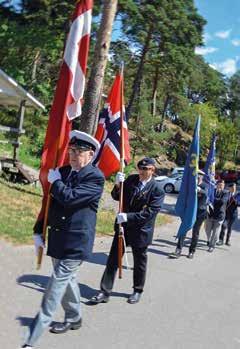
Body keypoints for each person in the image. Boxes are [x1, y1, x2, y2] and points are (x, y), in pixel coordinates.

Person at [19, 130, 105, 348]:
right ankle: (74, 316)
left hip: (76, 241)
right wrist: (39, 229)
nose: (73, 155)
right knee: (68, 281)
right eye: (71, 150)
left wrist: (56, 183)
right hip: (58, 237)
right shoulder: (63, 171)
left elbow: (70, 199)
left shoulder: (95, 177)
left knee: (56, 283)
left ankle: (33, 335)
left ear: (91, 155)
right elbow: (50, 204)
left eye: (79, 151)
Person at [89, 157, 165, 305]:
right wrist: (117, 185)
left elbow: (150, 213)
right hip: (123, 228)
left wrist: (127, 217)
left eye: (146, 169)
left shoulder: (157, 189)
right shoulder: (131, 180)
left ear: (152, 170)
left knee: (139, 262)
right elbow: (116, 197)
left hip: (141, 231)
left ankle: (137, 290)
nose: (142, 172)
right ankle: (105, 291)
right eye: (140, 168)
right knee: (113, 260)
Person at [169, 170, 208, 259]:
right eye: (196, 176)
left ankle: (191, 251)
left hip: (199, 213)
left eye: (199, 177)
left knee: (195, 233)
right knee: (184, 230)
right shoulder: (190, 185)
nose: (197, 178)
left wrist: (199, 190)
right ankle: (178, 250)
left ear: (202, 177)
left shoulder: (205, 185)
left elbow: (206, 193)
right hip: (189, 211)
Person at [205, 179, 228, 252]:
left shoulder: (226, 193)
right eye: (220, 184)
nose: (221, 186)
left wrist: (212, 199)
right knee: (207, 230)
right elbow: (207, 198)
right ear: (217, 184)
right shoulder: (212, 191)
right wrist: (210, 199)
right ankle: (209, 239)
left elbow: (222, 201)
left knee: (215, 232)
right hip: (210, 214)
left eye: (222, 185)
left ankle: (212, 246)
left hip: (219, 216)